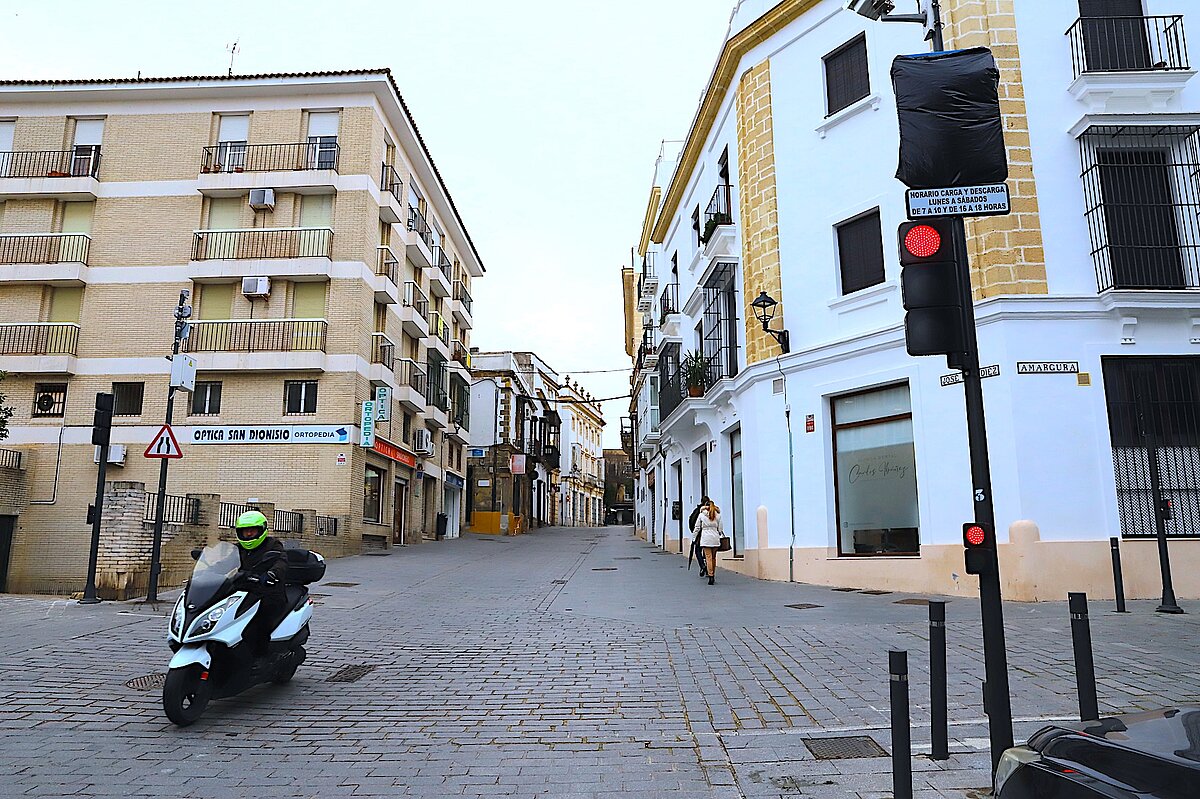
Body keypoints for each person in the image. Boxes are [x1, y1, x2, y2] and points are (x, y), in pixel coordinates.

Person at [233, 510, 289, 657]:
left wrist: (271, 574)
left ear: (262, 530)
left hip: (268, 593)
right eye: (245, 531)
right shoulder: (236, 549)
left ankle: (261, 657)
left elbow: (280, 562)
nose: (249, 534)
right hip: (242, 592)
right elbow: (222, 562)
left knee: (258, 624)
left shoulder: (273, 545)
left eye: (252, 530)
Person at [692, 499, 723, 586]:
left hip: (706, 539)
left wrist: (694, 538)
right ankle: (713, 573)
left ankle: (710, 576)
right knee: (713, 558)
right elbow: (720, 529)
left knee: (708, 557)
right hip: (715, 538)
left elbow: (697, 527)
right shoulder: (718, 515)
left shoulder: (702, 515)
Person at [688, 497, 710, 577]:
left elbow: (691, 521)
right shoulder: (711, 511)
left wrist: (694, 534)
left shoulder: (697, 511)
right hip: (709, 536)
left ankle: (702, 566)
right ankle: (709, 569)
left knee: (698, 551)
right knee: (708, 553)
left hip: (699, 536)